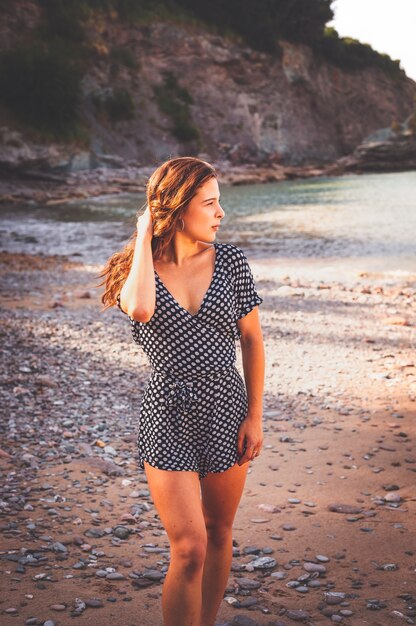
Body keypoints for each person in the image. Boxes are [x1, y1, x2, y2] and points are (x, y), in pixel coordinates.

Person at [99, 156, 265, 626]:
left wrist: (255, 416)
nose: (220, 213)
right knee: (189, 548)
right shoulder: (138, 270)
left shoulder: (232, 262)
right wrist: (146, 234)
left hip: (226, 408)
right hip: (166, 414)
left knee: (218, 532)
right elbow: (139, 309)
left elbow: (252, 341)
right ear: (177, 208)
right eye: (210, 203)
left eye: (220, 203)